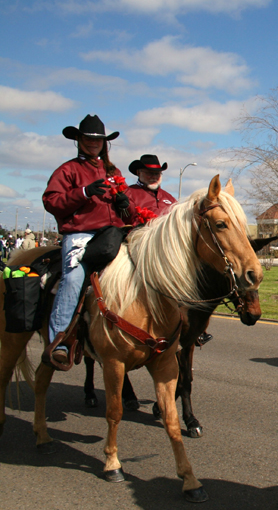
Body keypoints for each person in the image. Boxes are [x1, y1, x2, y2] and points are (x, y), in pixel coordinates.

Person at [43, 114, 133, 365]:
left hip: (112, 234)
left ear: (104, 143)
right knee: (73, 279)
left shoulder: (113, 171)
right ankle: (59, 339)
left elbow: (131, 212)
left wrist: (125, 204)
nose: (94, 143)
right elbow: (51, 201)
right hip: (80, 234)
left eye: (99, 139)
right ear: (79, 140)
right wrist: (83, 192)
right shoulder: (67, 169)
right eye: (89, 139)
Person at [126, 154, 211, 346]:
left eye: (157, 172)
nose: (154, 176)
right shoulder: (129, 194)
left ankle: (195, 327)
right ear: (139, 173)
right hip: (137, 248)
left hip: (164, 251)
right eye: (149, 172)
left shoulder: (168, 198)